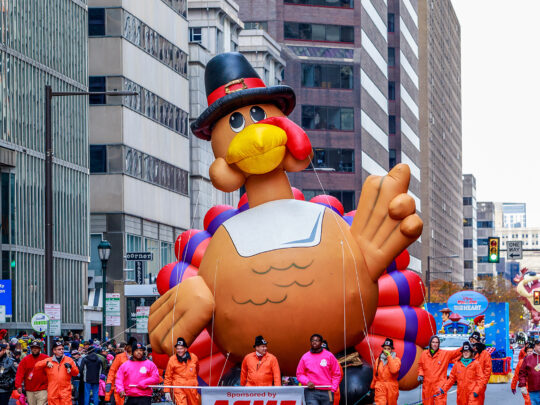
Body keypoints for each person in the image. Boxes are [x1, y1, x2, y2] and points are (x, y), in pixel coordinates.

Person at [296, 334, 341, 405]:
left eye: (317, 340)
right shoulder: (305, 357)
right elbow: (299, 374)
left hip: (327, 391)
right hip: (311, 392)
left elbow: (337, 373)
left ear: (321, 343)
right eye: (312, 340)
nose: (314, 342)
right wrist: (307, 382)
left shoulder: (329, 355)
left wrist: (333, 388)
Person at [417, 335, 461, 405]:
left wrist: (464, 347)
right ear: (430, 343)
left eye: (437, 342)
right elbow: (420, 365)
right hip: (427, 386)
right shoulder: (424, 354)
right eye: (433, 342)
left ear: (439, 344)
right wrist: (420, 374)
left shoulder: (444, 354)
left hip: (439, 386)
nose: (435, 344)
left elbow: (455, 352)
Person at [34, 340, 79, 405]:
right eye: (59, 349)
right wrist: (46, 363)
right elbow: (36, 366)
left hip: (65, 393)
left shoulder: (69, 360)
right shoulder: (49, 360)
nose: (61, 351)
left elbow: (76, 373)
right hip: (53, 392)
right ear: (54, 351)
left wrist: (71, 367)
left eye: (62, 349)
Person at [164, 338, 200, 405]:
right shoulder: (172, 359)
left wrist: (194, 380)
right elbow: (168, 376)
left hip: (192, 387)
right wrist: (167, 391)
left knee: (194, 403)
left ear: (185, 349)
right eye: (177, 349)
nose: (179, 350)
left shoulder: (194, 357)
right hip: (179, 388)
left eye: (181, 348)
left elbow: (197, 370)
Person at [14, 340, 48, 405]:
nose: (34, 349)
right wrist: (18, 385)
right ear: (31, 349)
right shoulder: (25, 360)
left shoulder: (46, 358)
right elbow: (19, 373)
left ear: (39, 349)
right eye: (33, 348)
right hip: (29, 390)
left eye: (36, 348)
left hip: (43, 389)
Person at [370, 338, 401, 405]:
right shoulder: (378, 360)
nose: (386, 350)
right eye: (385, 348)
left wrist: (389, 357)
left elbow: (394, 370)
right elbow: (375, 374)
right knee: (380, 403)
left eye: (388, 349)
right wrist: (372, 387)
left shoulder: (396, 360)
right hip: (380, 386)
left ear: (392, 349)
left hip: (391, 387)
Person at [105, 340, 133, 405]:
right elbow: (112, 370)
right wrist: (109, 382)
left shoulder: (138, 358)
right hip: (118, 386)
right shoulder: (120, 357)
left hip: (132, 387)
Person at [469, 331, 492, 404]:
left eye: (474, 340)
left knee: (478, 402)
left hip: (480, 383)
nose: (472, 342)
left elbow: (488, 370)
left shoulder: (485, 354)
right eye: (471, 340)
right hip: (469, 383)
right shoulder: (469, 352)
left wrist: (483, 383)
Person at [519, 340, 540, 405]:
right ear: (534, 347)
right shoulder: (528, 359)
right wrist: (522, 385)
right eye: (538, 345)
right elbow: (522, 372)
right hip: (534, 390)